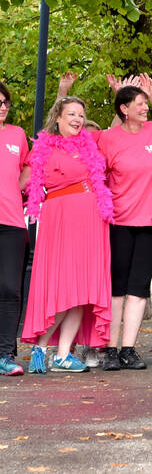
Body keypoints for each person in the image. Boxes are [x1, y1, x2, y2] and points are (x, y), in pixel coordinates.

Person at [22, 96, 113, 373]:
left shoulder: (90, 142)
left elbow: (121, 128)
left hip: (92, 219)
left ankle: (63, 355)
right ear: (58, 118)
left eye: (80, 115)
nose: (77, 119)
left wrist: (120, 93)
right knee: (64, 287)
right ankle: (41, 345)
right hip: (61, 219)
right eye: (71, 114)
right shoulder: (43, 148)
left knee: (83, 291)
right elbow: (23, 183)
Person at [94, 86, 152, 371]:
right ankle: (110, 349)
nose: (144, 108)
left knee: (139, 290)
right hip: (118, 223)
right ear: (124, 109)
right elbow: (96, 177)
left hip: (149, 224)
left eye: (145, 103)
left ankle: (128, 349)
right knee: (117, 290)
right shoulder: (107, 138)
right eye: (139, 103)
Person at [0, 82, 30, 376]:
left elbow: (29, 165)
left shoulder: (17, 135)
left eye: (5, 102)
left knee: (10, 289)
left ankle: (5, 353)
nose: (3, 107)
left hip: (11, 222)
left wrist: (15, 189)